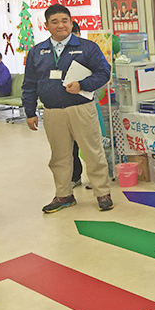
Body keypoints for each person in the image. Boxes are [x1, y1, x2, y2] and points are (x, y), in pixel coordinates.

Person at [22, 4, 113, 213]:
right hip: (53, 112)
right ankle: (64, 195)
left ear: (71, 23)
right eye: (54, 21)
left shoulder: (87, 47)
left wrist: (83, 85)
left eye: (64, 21)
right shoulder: (37, 51)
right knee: (59, 156)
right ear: (46, 26)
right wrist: (29, 112)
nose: (60, 25)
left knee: (93, 152)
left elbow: (103, 73)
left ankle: (102, 193)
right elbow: (29, 84)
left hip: (81, 108)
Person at [69, 22, 83, 189]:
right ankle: (75, 176)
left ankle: (100, 184)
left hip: (86, 104)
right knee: (70, 147)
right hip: (64, 106)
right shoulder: (49, 52)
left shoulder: (88, 50)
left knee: (90, 146)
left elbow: (101, 75)